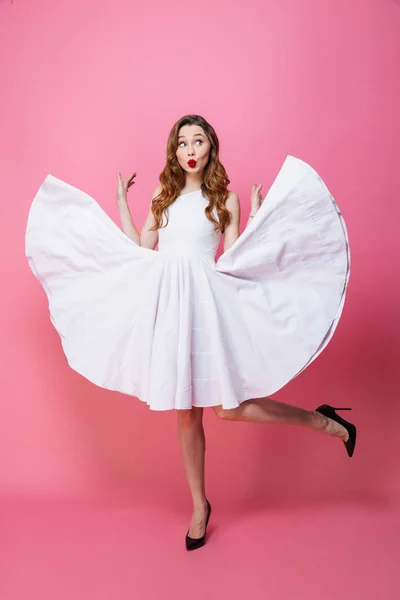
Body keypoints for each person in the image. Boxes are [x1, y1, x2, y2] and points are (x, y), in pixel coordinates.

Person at [25, 114, 356, 552]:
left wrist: (257, 215)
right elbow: (142, 252)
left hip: (208, 305)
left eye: (198, 141)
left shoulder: (226, 199)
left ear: (209, 148)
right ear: (175, 152)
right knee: (186, 413)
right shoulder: (163, 196)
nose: (190, 149)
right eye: (183, 143)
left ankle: (323, 420)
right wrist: (123, 203)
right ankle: (199, 506)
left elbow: (237, 259)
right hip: (172, 306)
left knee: (229, 409)